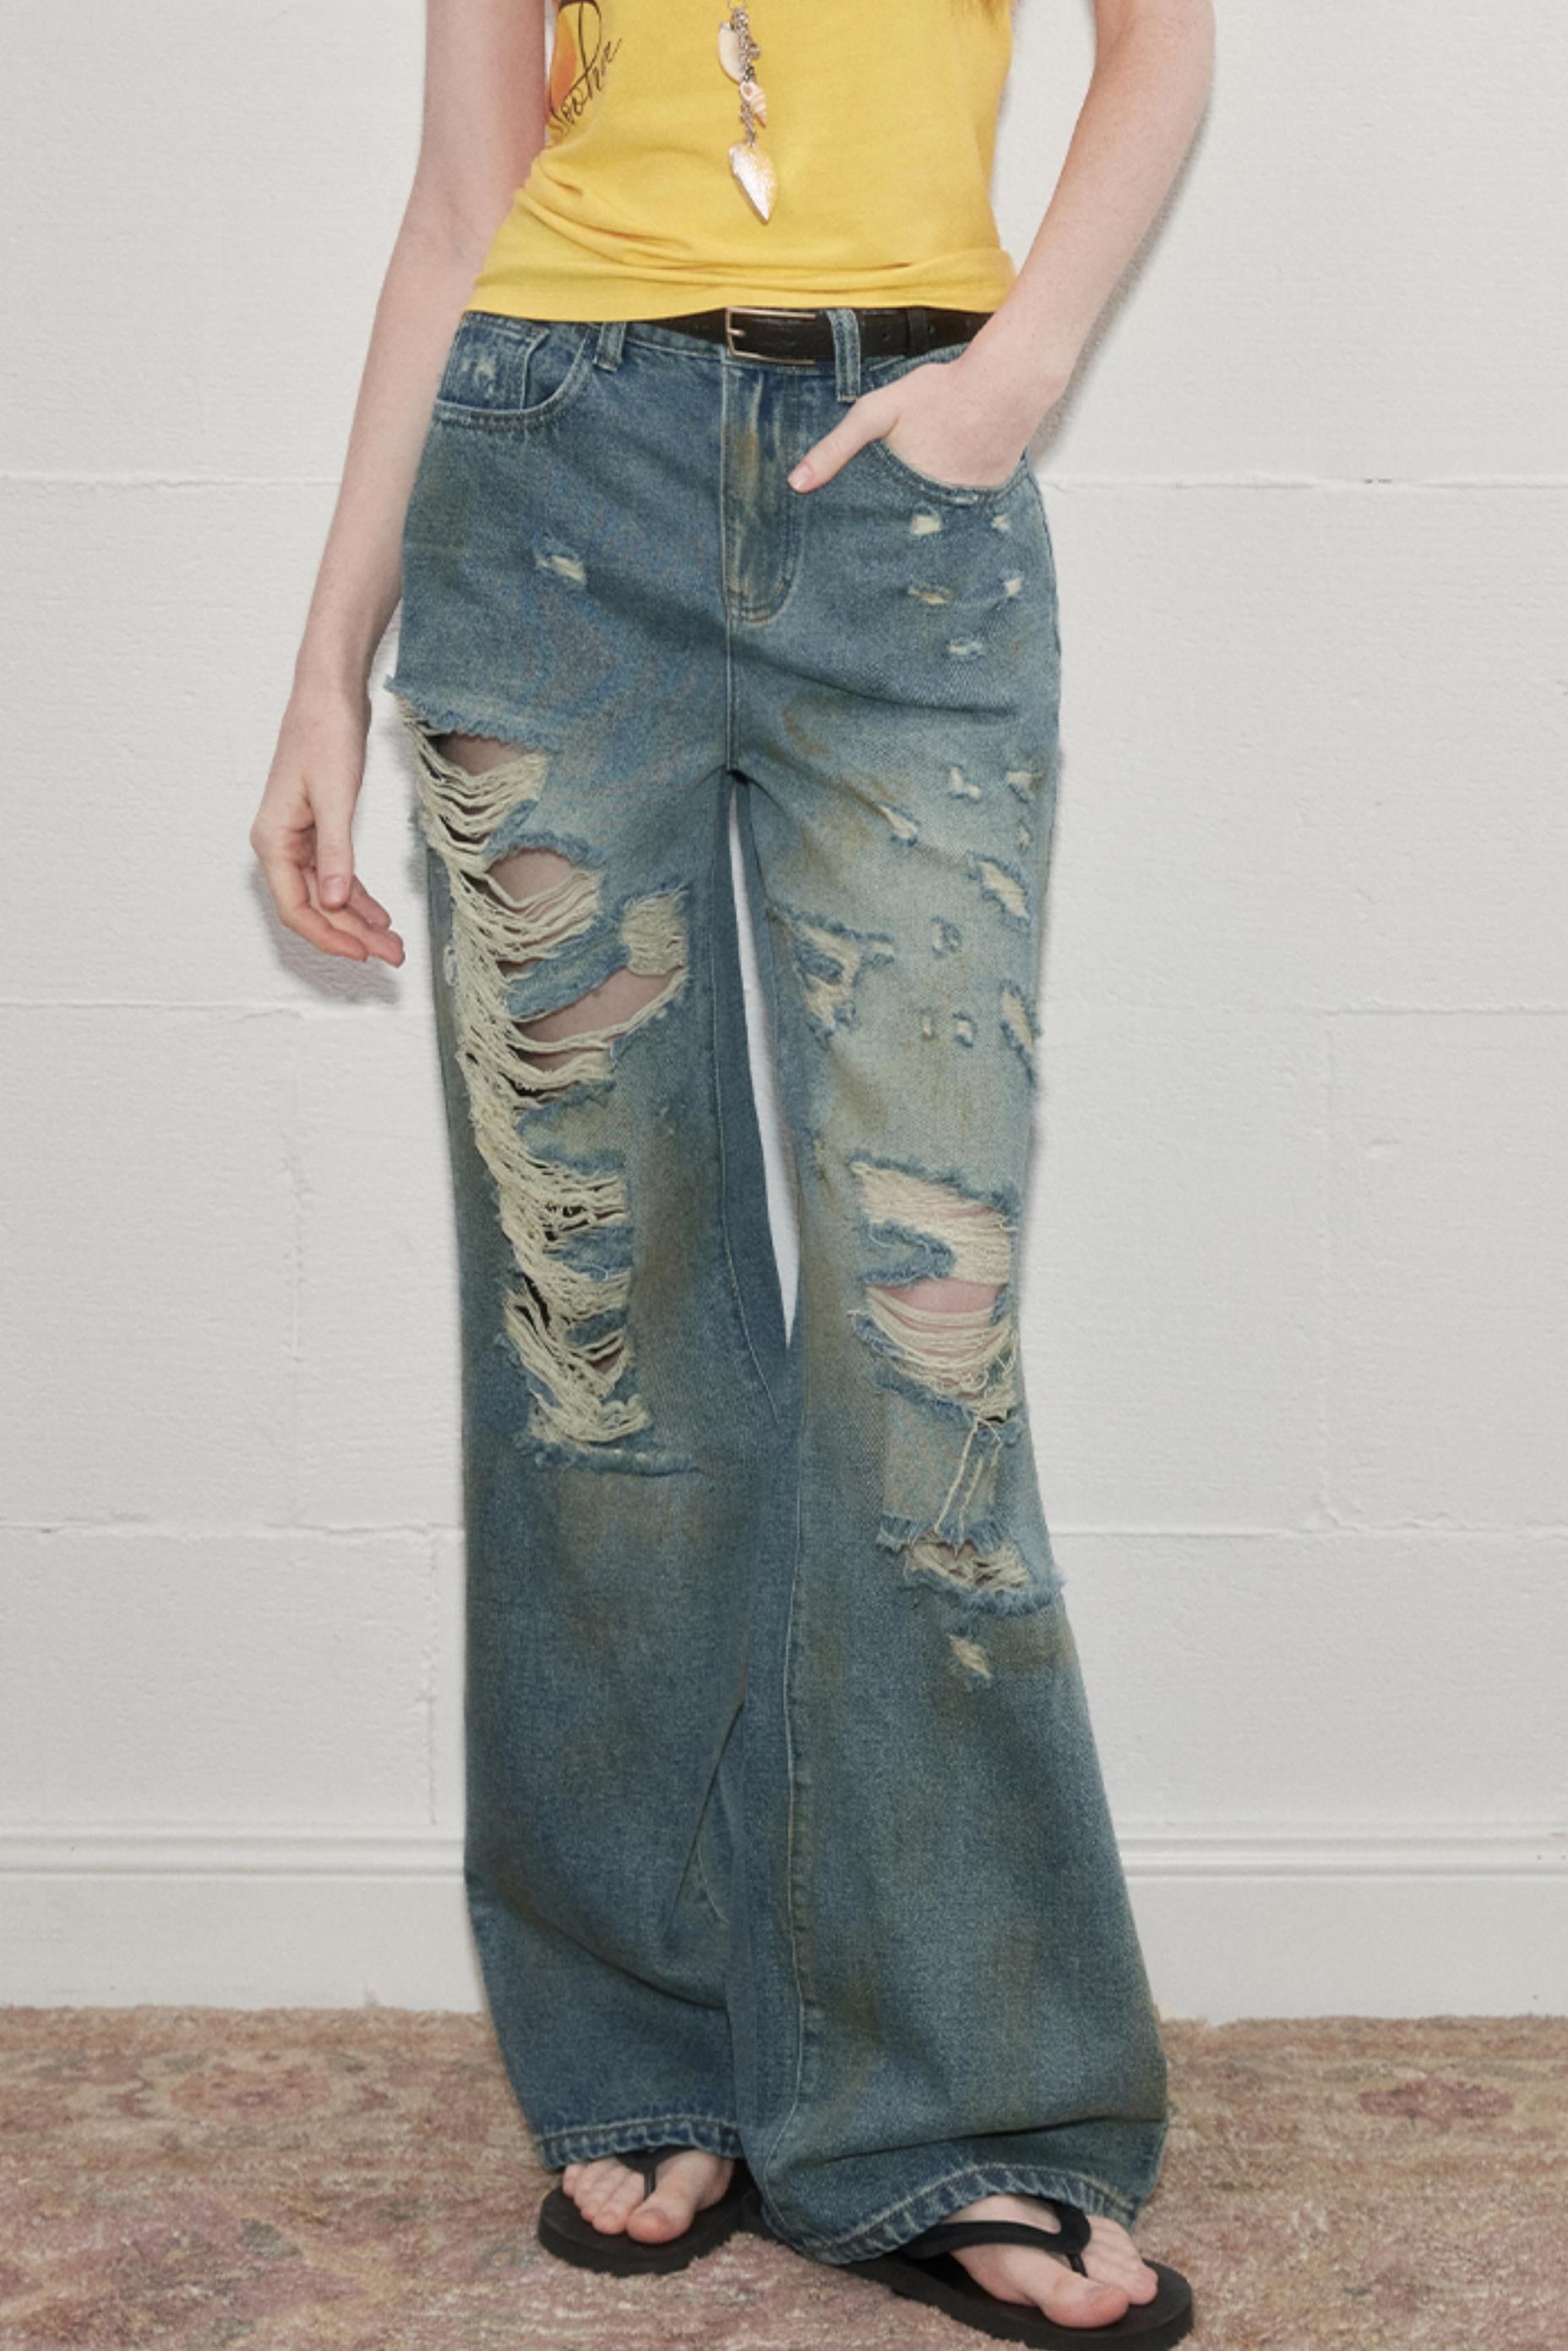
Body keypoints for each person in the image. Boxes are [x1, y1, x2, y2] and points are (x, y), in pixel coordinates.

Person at [250, 0, 1214, 2338]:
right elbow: (458, 205)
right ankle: (647, 2050)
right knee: (600, 1333)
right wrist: (321, 665)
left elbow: (1163, 50)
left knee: (924, 1341)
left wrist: (1012, 374)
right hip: (542, 488)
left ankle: (967, 2098)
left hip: (911, 489)